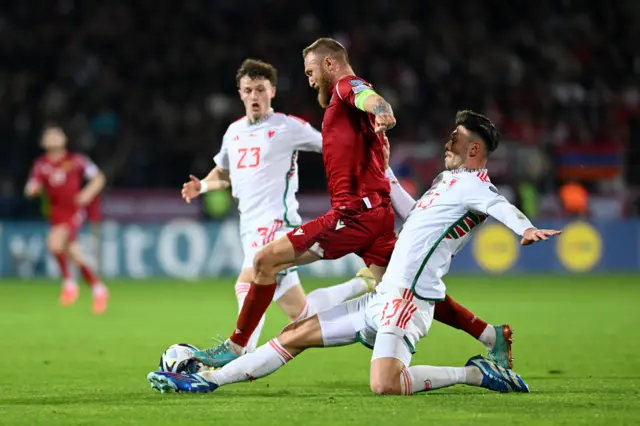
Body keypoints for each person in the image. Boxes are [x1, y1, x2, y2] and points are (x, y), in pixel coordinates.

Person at [147, 110, 561, 395]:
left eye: (456, 140)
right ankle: (209, 380)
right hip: (383, 297)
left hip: (407, 302)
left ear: (475, 150)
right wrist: (386, 170)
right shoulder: (445, 183)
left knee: (385, 384)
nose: (447, 143)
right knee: (295, 334)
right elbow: (414, 216)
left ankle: (477, 374)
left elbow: (498, 203)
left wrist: (524, 228)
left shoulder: (476, 185)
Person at [192, 38, 515, 370]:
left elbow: (366, 95)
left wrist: (381, 108)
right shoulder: (344, 110)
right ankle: (492, 336)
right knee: (407, 286)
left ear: (329, 64)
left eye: (311, 71)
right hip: (375, 214)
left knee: (264, 262)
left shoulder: (346, 87)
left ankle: (235, 346)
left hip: (353, 215)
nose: (310, 80)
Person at [181, 59, 377, 353]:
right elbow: (223, 172)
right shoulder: (233, 132)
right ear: (240, 93)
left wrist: (364, 149)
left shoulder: (288, 126)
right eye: (249, 90)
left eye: (260, 89)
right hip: (248, 226)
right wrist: (203, 186)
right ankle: (363, 285)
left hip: (277, 223)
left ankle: (237, 350)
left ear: (272, 91)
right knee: (301, 313)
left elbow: (329, 144)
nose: (255, 95)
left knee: (246, 281)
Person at [25, 123, 109, 314]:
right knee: (74, 254)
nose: (53, 138)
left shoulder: (77, 160)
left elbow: (98, 178)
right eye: (49, 135)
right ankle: (98, 289)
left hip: (73, 211)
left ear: (64, 139)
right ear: (43, 142)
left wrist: (87, 193)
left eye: (57, 134)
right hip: (55, 214)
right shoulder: (41, 165)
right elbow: (31, 186)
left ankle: (69, 284)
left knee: (54, 243)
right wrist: (32, 190)